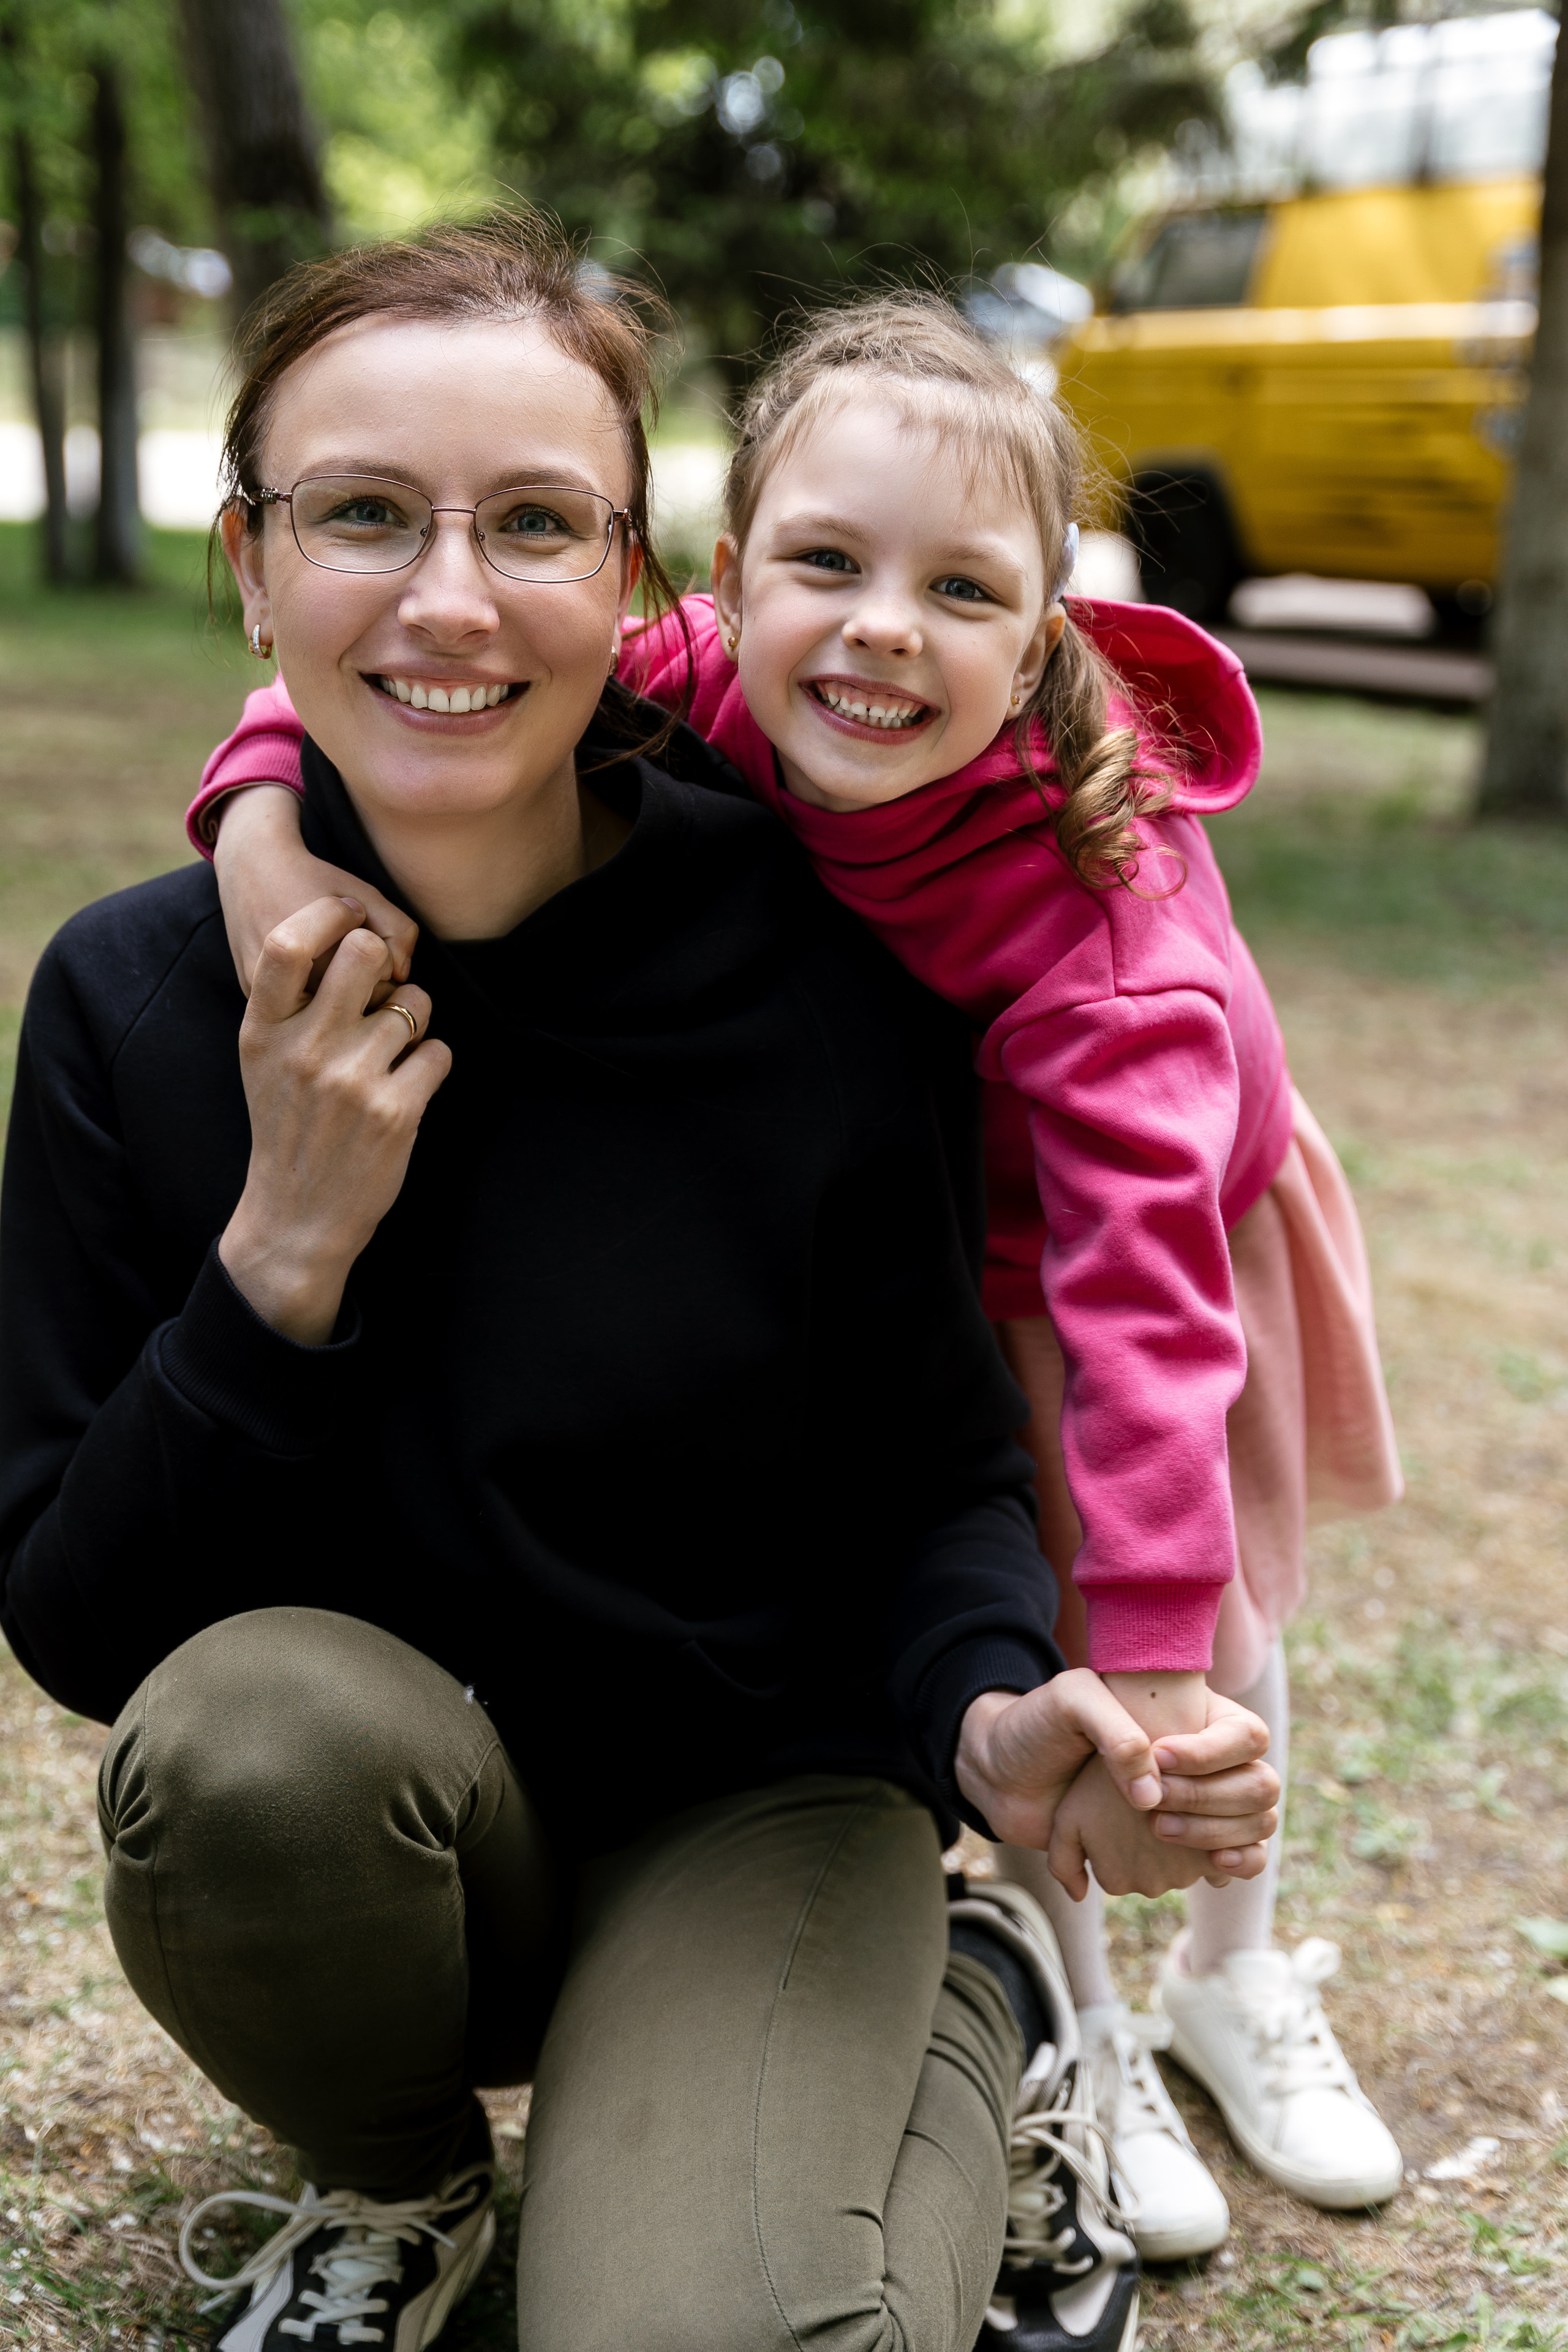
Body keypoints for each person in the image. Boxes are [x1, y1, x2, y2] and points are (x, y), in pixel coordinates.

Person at [0, 216, 1281, 2352]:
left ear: (627, 580)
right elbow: (77, 1617)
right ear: (250, 562)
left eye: (530, 525)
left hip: (754, 1808)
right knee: (244, 1744)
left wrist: (990, 1712)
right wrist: (282, 1248)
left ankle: (976, 2027)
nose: (445, 597)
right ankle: (403, 2180)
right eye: (361, 518)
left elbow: (938, 1473)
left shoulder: (815, 968)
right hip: (398, 1840)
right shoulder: (134, 997)